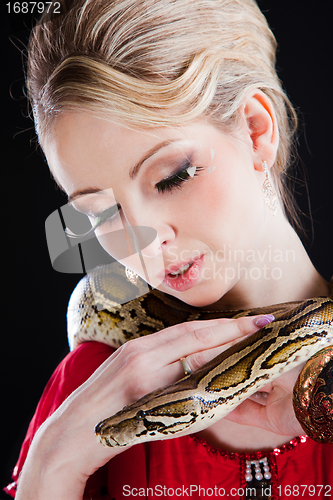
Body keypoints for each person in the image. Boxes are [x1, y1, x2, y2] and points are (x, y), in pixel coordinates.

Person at [5, 0, 332, 499]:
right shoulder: (88, 388)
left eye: (172, 176)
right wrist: (52, 466)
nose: (143, 238)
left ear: (255, 130)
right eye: (99, 213)